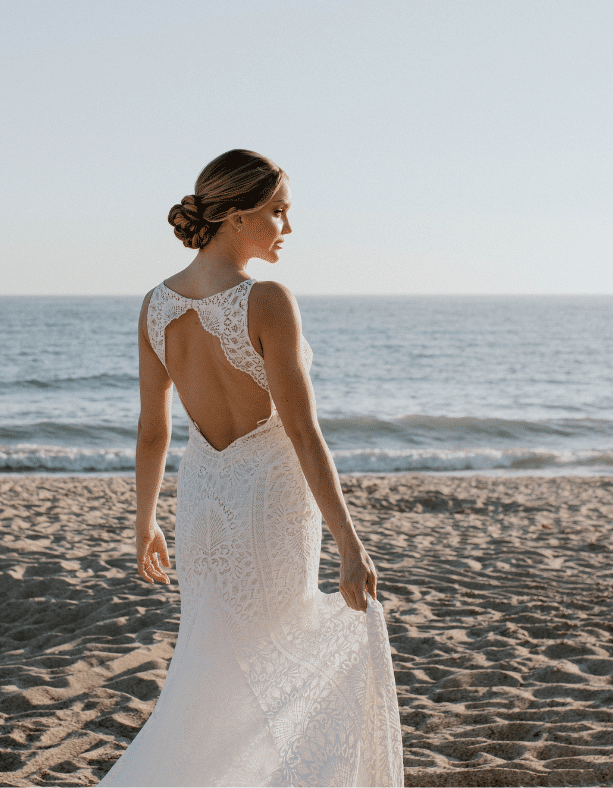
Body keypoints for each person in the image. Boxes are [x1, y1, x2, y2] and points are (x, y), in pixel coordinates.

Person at [100, 150, 402, 787]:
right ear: (237, 217)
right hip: (269, 504)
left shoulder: (155, 305)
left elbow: (153, 430)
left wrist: (145, 522)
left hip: (201, 504)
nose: (286, 228)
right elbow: (301, 430)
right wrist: (350, 542)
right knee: (268, 650)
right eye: (277, 213)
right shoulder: (266, 300)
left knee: (211, 659)